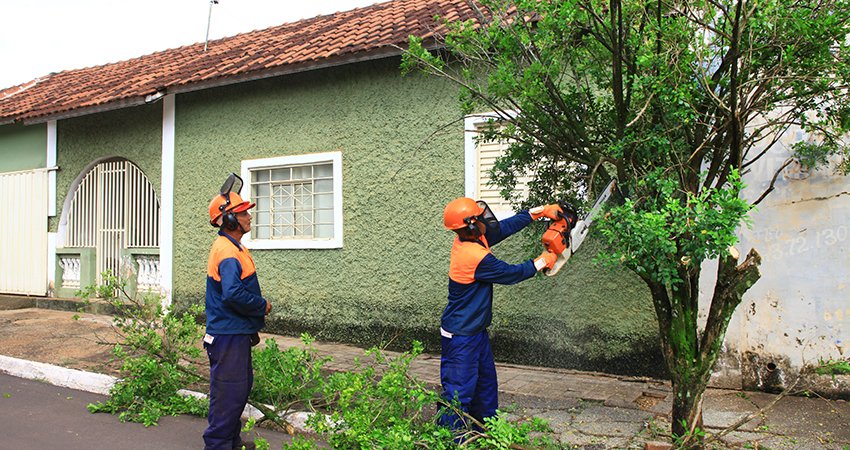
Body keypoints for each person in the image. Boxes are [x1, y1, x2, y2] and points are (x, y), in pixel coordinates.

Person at [439, 197, 561, 429]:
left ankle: (483, 435)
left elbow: (505, 227)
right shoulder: (473, 256)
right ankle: (448, 441)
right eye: (481, 217)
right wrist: (542, 261)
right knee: (458, 394)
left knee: (485, 388)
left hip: (476, 331)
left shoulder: (472, 237)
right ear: (473, 225)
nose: (487, 219)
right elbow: (511, 273)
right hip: (460, 337)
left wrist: (539, 212)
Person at [203, 189, 272, 450]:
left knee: (237, 390)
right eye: (243, 212)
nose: (249, 216)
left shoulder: (233, 246)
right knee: (229, 394)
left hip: (235, 333)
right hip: (228, 335)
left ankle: (230, 442)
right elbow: (232, 294)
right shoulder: (228, 252)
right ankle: (218, 445)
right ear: (229, 219)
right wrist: (261, 306)